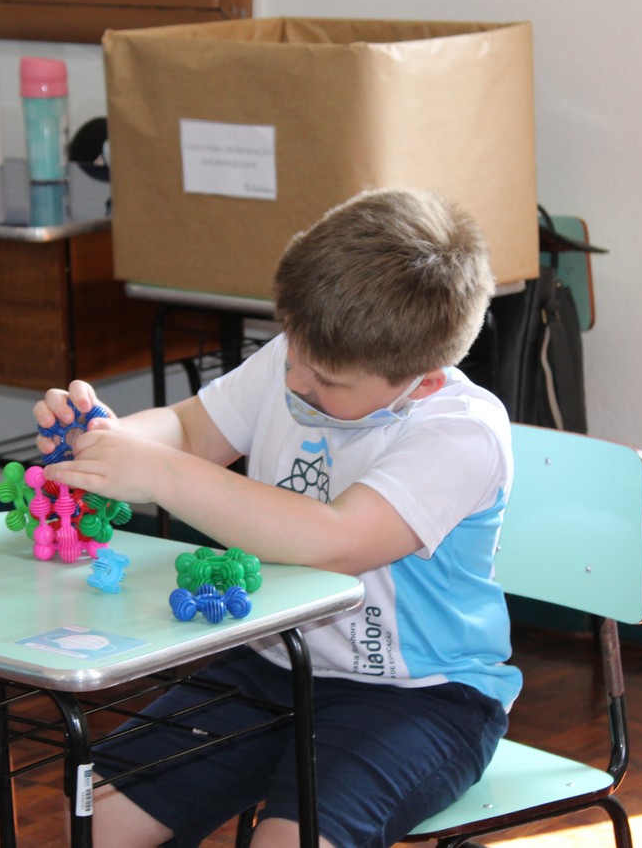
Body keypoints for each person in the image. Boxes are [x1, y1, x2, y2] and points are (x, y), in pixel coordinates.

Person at [33, 187, 519, 848]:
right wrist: (106, 440)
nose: (295, 382)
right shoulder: (305, 355)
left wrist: (158, 473)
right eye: (293, 356)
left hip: (420, 696)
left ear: (424, 380)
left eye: (327, 381)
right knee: (95, 822)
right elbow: (189, 430)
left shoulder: (462, 431)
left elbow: (333, 540)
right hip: (271, 662)